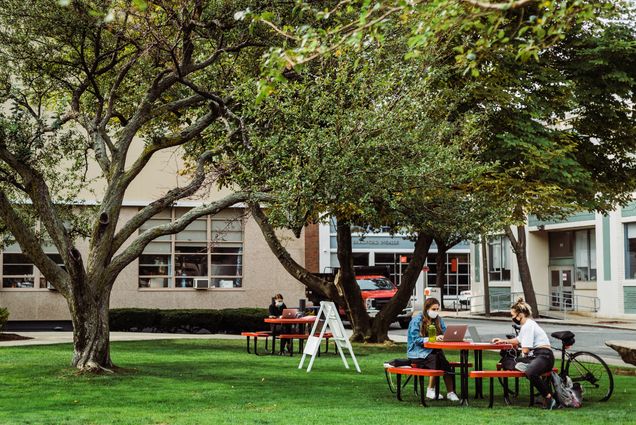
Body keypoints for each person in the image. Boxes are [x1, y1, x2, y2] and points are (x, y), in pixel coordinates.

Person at [492, 297, 557, 410]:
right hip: (539, 356)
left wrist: (520, 353)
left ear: (520, 315)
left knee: (530, 371)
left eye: (513, 315)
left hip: (543, 356)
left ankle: (549, 398)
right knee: (508, 362)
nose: (512, 318)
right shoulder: (528, 325)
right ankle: (521, 365)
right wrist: (504, 341)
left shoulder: (527, 326)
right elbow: (518, 340)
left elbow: (526, 350)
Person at [407, 298, 459, 401]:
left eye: (437, 309)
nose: (435, 312)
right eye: (433, 309)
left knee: (445, 364)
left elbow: (444, 332)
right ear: (427, 308)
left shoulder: (438, 320)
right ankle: (430, 390)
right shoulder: (417, 320)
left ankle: (450, 392)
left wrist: (445, 337)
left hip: (434, 351)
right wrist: (433, 338)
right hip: (418, 353)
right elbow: (416, 340)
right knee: (437, 360)